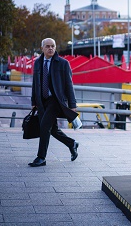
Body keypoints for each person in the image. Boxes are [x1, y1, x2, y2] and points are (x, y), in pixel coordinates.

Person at [29, 38, 79, 167]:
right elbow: (35, 83)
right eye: (47, 46)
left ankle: (41, 157)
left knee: (44, 127)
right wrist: (34, 101)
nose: (50, 48)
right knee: (53, 129)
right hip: (41, 101)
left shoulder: (63, 63)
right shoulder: (38, 62)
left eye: (53, 46)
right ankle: (71, 143)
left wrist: (72, 105)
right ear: (42, 48)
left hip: (55, 101)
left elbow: (69, 85)